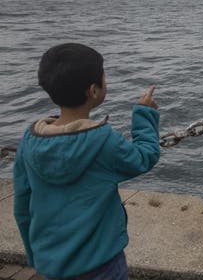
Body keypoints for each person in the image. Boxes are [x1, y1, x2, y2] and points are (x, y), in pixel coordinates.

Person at [13, 43, 161, 280]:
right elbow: (143, 157)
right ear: (93, 90)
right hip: (102, 263)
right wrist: (144, 115)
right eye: (104, 77)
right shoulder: (103, 141)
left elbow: (22, 206)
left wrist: (35, 256)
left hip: (51, 263)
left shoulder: (30, 140)